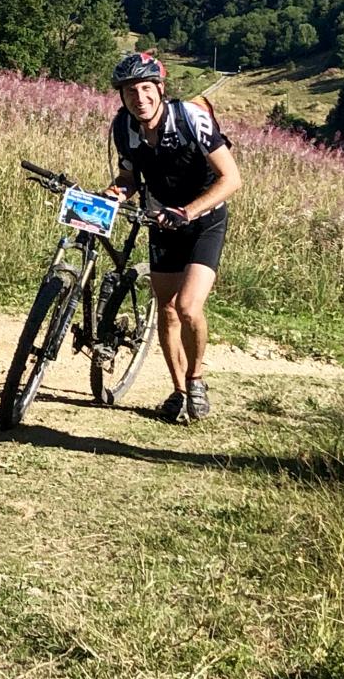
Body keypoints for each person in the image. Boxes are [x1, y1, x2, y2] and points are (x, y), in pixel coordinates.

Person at [103, 52, 242, 423]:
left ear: (160, 89)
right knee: (166, 309)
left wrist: (189, 212)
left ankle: (196, 380)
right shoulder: (124, 128)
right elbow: (130, 178)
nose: (139, 97)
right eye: (130, 91)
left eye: (146, 88)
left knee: (188, 307)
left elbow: (232, 178)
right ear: (122, 96)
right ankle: (179, 391)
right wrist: (116, 193)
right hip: (161, 221)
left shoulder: (190, 118)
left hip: (204, 221)